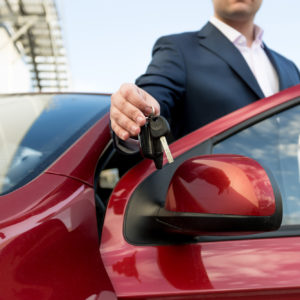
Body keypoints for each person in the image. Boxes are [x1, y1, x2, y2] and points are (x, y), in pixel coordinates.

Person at [110, 0, 300, 146]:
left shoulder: (289, 68)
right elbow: (151, 100)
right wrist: (135, 106)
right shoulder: (179, 50)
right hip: (217, 193)